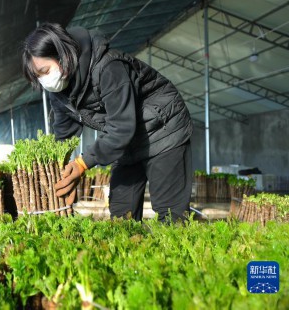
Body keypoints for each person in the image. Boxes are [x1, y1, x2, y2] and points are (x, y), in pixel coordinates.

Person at [21, 22, 193, 222]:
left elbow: (121, 127)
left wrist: (82, 163)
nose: (44, 80)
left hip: (163, 130)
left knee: (170, 213)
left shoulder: (108, 67)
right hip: (128, 143)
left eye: (45, 70)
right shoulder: (59, 91)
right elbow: (63, 134)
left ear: (63, 55)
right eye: (37, 76)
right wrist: (62, 173)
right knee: (122, 213)